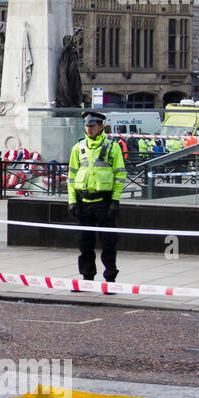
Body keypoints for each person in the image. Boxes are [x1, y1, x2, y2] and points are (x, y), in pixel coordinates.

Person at [68, 110, 127, 283]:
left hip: (104, 201)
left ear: (101, 126)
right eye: (87, 126)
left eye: (92, 126)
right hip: (83, 202)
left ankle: (110, 277)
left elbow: (120, 175)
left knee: (108, 243)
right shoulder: (78, 147)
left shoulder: (111, 146)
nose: (89, 129)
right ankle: (87, 277)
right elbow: (71, 177)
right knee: (84, 243)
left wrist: (115, 200)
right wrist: (72, 201)